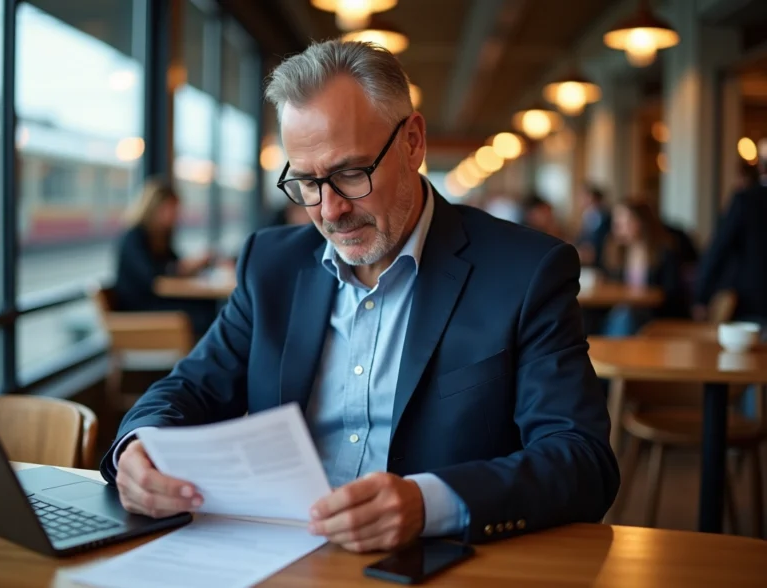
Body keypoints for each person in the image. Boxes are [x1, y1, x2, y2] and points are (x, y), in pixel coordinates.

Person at [99, 40, 618, 552]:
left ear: (413, 142)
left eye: (350, 173)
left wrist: (426, 503)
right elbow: (189, 388)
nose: (328, 210)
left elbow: (582, 459)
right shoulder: (272, 264)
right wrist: (138, 447)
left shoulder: (525, 271)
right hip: (276, 552)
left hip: (434, 562)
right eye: (305, 181)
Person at [113, 179, 218, 336]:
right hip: (137, 307)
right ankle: (201, 358)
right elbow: (152, 276)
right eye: (171, 209)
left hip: (155, 301)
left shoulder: (160, 236)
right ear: (155, 208)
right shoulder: (134, 236)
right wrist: (183, 267)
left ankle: (206, 358)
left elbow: (173, 263)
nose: (175, 215)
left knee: (208, 305)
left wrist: (193, 265)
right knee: (203, 314)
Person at [694, 147, 767, 323]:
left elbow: (719, 248)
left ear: (761, 168)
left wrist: (701, 296)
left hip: (753, 299)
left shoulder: (747, 200)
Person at [599, 198, 686, 335]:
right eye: (616, 221)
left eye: (624, 221)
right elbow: (612, 285)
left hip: (656, 314)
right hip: (624, 311)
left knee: (625, 316)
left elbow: (671, 291)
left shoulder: (664, 252)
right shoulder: (618, 252)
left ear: (641, 221)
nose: (617, 226)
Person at [575, 184, 612, 267]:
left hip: (600, 261)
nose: (580, 200)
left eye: (583, 197)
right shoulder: (586, 216)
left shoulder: (604, 217)